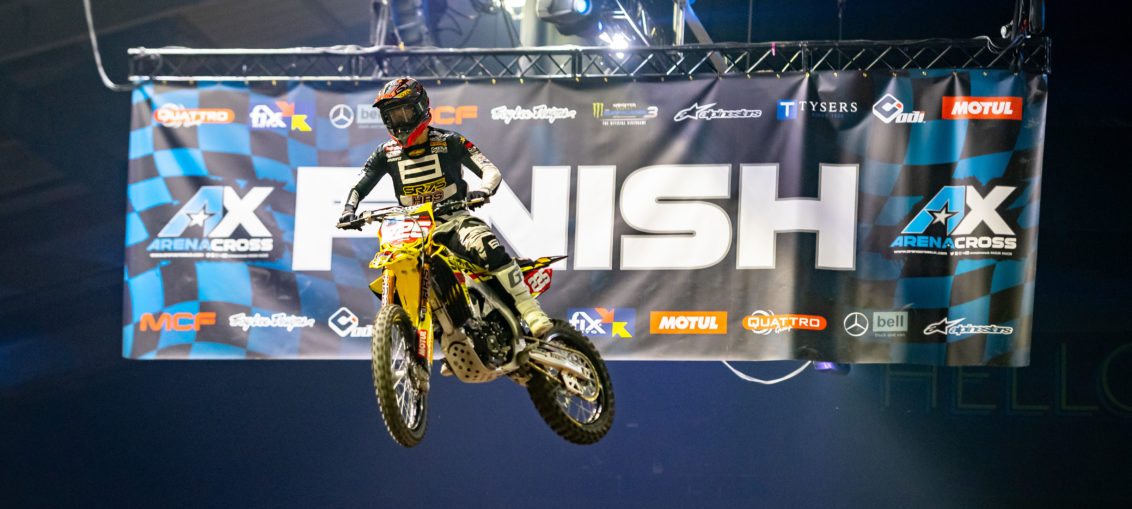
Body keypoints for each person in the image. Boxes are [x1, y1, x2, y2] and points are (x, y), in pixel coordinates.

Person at [337, 77, 552, 338]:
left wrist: (484, 190)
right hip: (412, 229)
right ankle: (434, 333)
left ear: (420, 108)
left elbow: (489, 170)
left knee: (487, 247)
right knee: (391, 268)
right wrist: (348, 210)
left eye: (404, 112)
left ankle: (531, 311)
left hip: (455, 220)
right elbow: (358, 185)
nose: (399, 120)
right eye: (392, 115)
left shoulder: (449, 141)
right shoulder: (385, 152)